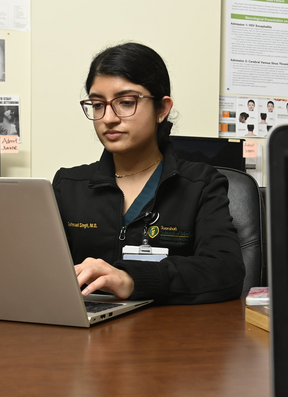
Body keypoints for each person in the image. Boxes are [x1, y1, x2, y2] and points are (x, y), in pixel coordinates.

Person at [52, 42, 245, 305]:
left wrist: (130, 279)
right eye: (98, 105)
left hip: (169, 337)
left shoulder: (200, 184)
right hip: (84, 332)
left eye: (126, 102)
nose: (108, 118)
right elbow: (37, 270)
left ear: (162, 109)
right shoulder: (69, 186)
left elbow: (226, 271)